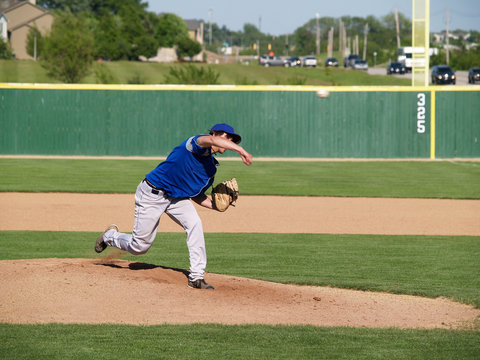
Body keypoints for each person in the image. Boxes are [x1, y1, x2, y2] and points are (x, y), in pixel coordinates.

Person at [95, 123, 253, 290]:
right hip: (152, 194)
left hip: (176, 199)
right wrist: (241, 151)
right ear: (214, 133)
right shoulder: (196, 144)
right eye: (227, 137)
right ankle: (109, 236)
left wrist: (216, 206)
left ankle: (196, 277)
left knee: (195, 224)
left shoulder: (210, 169)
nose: (230, 141)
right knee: (139, 247)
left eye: (232, 139)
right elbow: (213, 141)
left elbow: (196, 195)